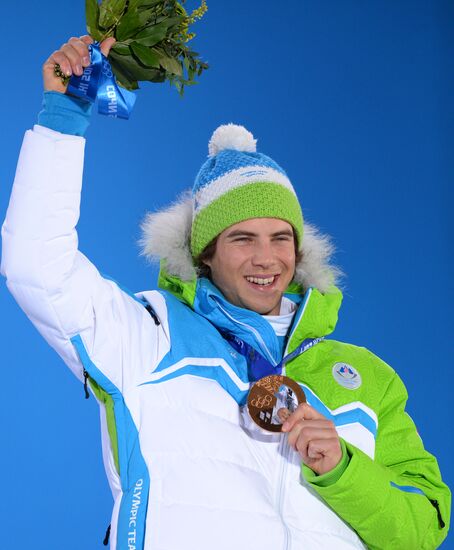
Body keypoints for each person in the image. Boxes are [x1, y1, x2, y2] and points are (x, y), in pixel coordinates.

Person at [1, 35, 450, 550]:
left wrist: (344, 469)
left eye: (281, 238)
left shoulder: (366, 378)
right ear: (203, 254)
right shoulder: (148, 333)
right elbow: (36, 264)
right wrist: (64, 113)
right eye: (242, 239)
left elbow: (423, 526)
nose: (266, 259)